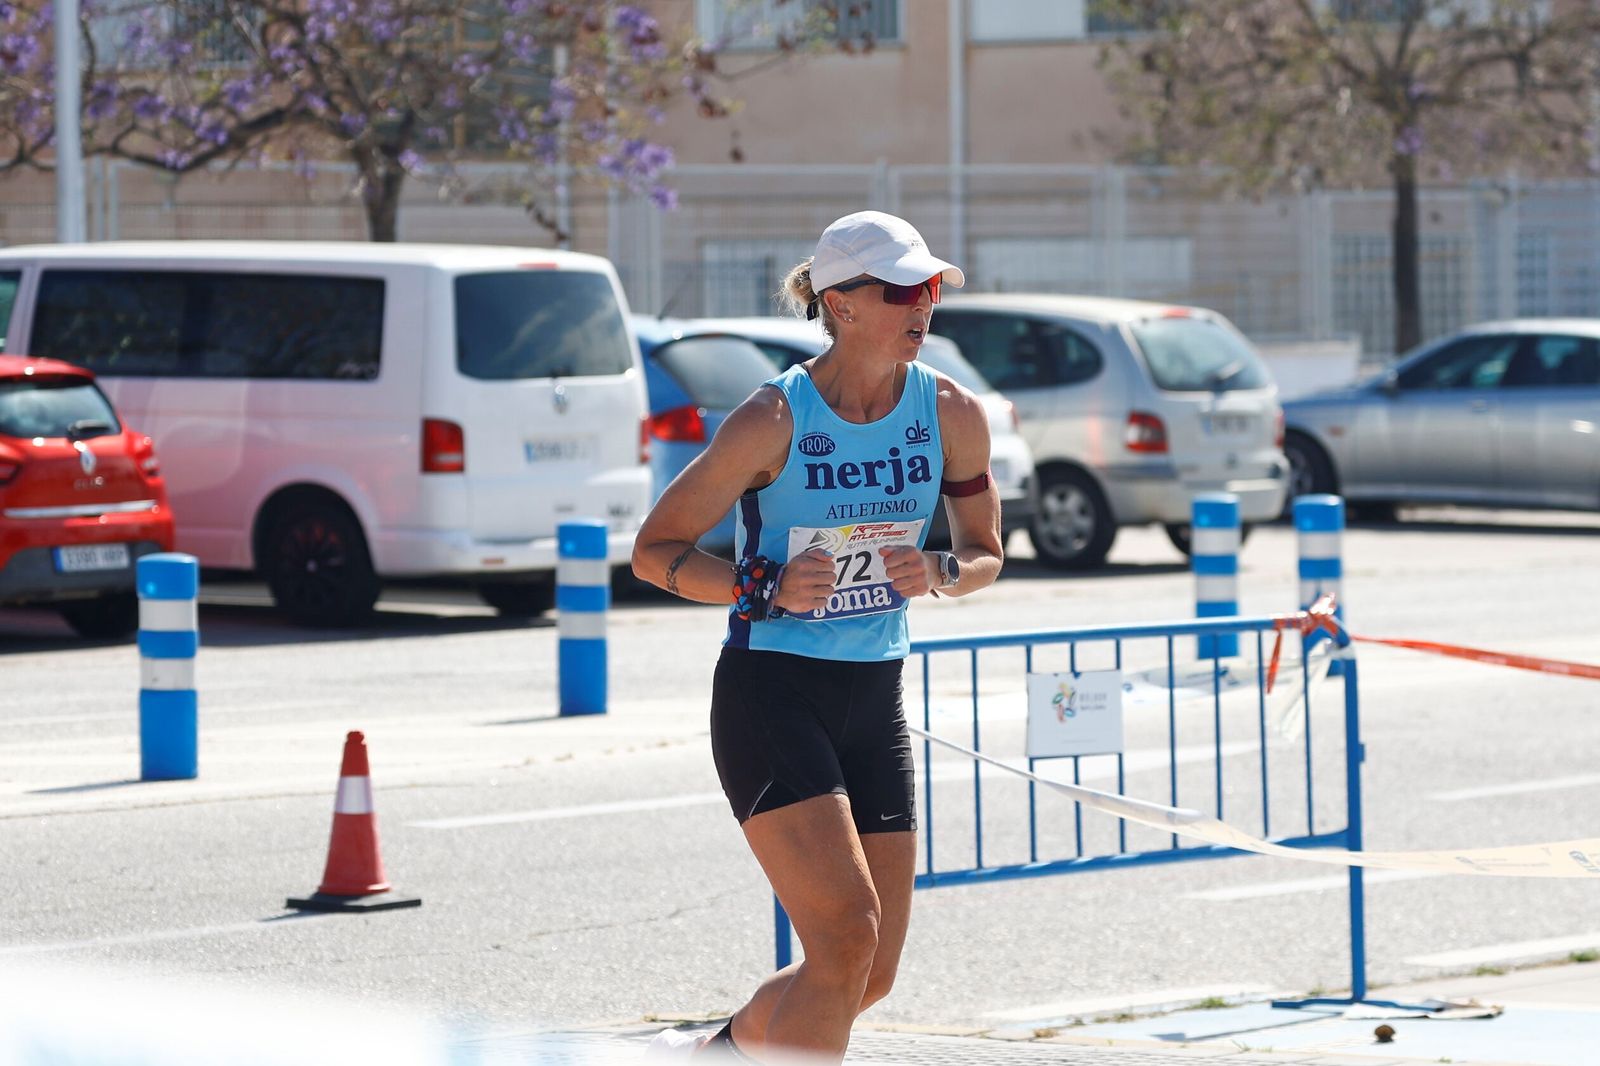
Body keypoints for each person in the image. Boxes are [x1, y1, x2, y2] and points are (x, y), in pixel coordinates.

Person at [633, 210, 1004, 1064]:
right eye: (903, 289)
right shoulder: (773, 419)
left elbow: (986, 553)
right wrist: (758, 583)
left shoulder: (950, 412)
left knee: (866, 973)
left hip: (875, 698)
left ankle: (721, 1048)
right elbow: (654, 552)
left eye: (932, 286)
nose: (925, 305)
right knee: (844, 940)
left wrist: (941, 573)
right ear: (840, 303)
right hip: (773, 692)